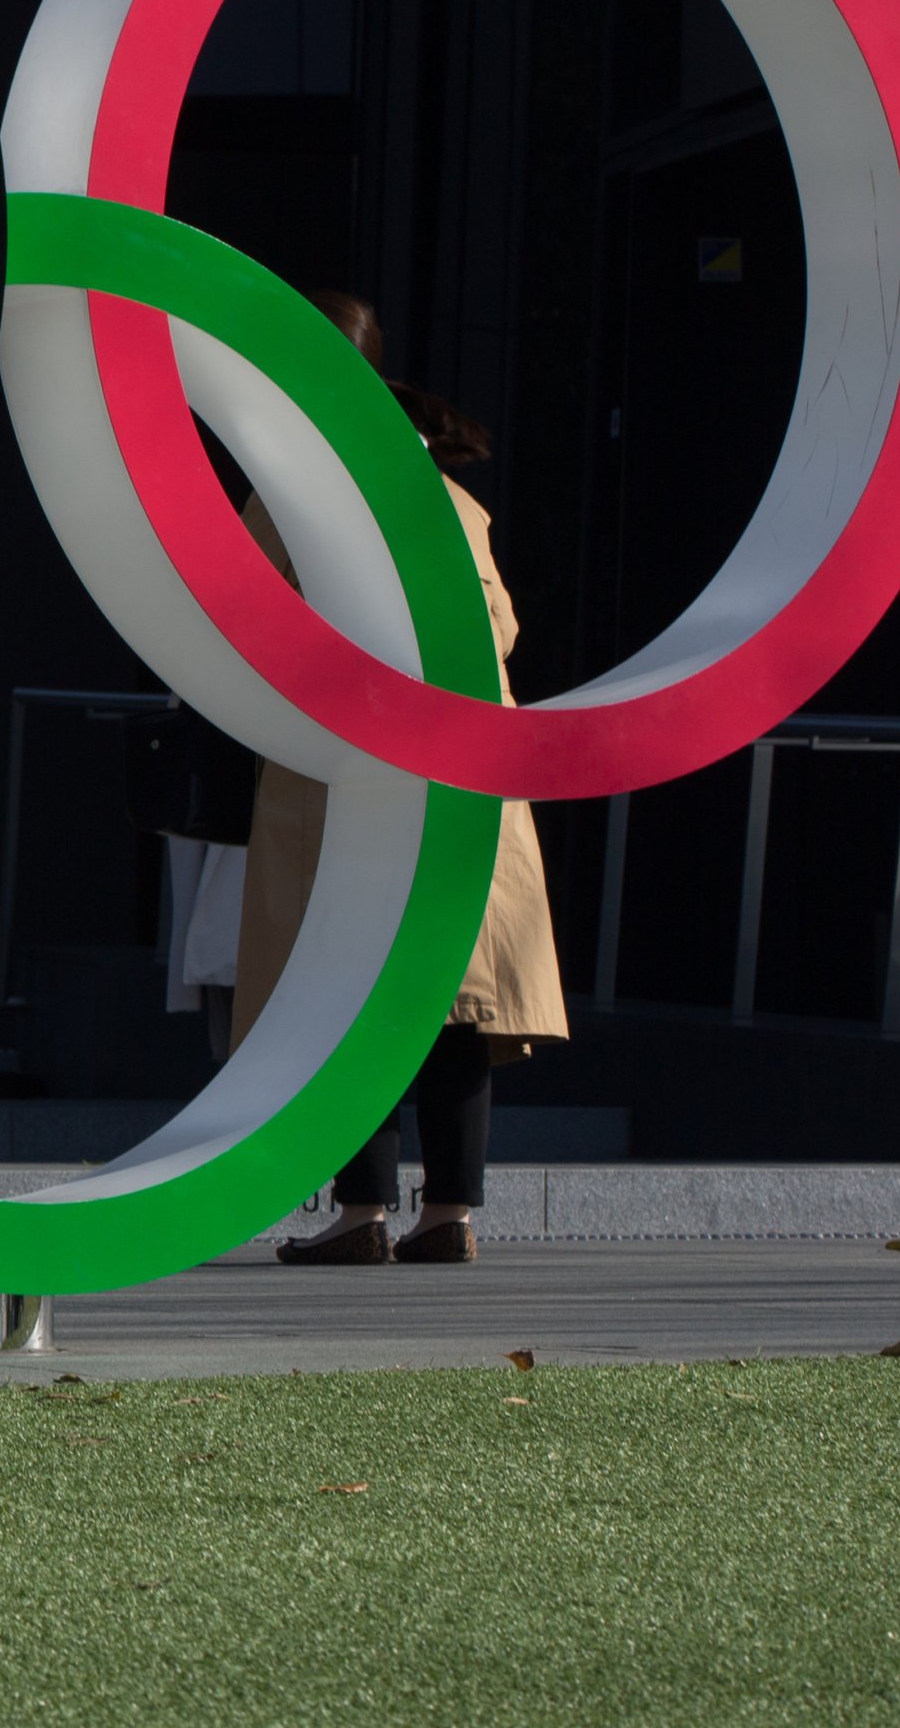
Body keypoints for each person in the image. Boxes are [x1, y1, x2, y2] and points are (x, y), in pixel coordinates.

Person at [236, 292, 567, 1267]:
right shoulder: (450, 499)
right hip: (460, 772)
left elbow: (248, 626)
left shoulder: (291, 491)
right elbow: (499, 633)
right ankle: (449, 1214)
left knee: (348, 988)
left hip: (347, 776)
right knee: (453, 998)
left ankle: (361, 1211)